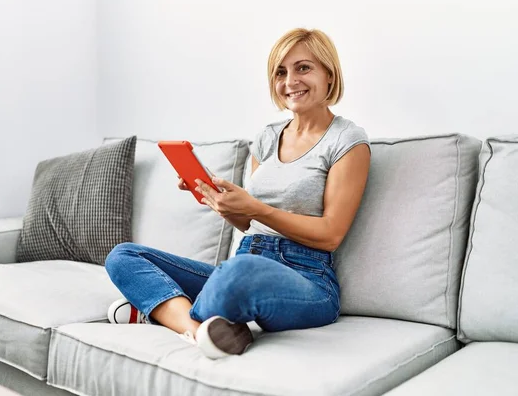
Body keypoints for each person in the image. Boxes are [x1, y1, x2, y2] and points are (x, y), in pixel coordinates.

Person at [104, 28, 371, 359]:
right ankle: (200, 330)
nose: (290, 82)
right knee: (125, 256)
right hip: (247, 258)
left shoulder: (347, 141)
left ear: (329, 75)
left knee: (237, 272)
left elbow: (331, 235)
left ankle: (160, 311)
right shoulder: (268, 137)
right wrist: (222, 202)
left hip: (307, 278)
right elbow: (248, 224)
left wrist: (256, 208)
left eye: (303, 68)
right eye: (280, 72)